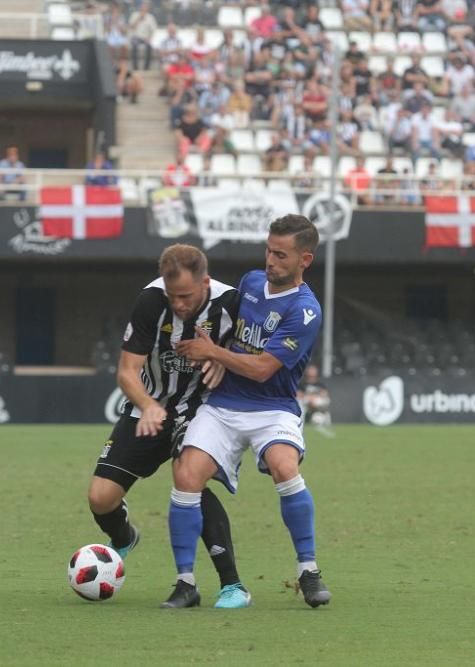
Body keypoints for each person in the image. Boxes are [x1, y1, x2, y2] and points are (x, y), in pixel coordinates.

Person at [169, 214, 331, 610]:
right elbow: (231, 333)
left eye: (280, 255)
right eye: (268, 250)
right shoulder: (251, 282)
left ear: (304, 259)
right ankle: (186, 583)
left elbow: (262, 369)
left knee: (284, 467)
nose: (270, 261)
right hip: (223, 404)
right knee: (186, 475)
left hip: (272, 408)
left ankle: (308, 571)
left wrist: (213, 353)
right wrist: (219, 353)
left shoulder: (305, 311)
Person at [88, 244, 250, 608]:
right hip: (151, 407)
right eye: (172, 295)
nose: (178, 304)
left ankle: (232, 585)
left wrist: (224, 359)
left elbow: (253, 356)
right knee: (100, 498)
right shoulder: (150, 301)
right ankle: (125, 537)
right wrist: (147, 406)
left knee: (189, 479)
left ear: (205, 282)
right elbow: (127, 372)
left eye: (186, 296)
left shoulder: (232, 304)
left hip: (202, 409)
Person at [298, 364, 334, 438]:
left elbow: (324, 394)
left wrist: (314, 398)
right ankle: (301, 424)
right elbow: (298, 394)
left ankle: (323, 416)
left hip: (317, 401)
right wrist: (309, 398)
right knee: (300, 403)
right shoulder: (302, 384)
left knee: (323, 401)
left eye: (313, 371)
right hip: (306, 401)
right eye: (310, 371)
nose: (312, 373)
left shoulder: (320, 384)